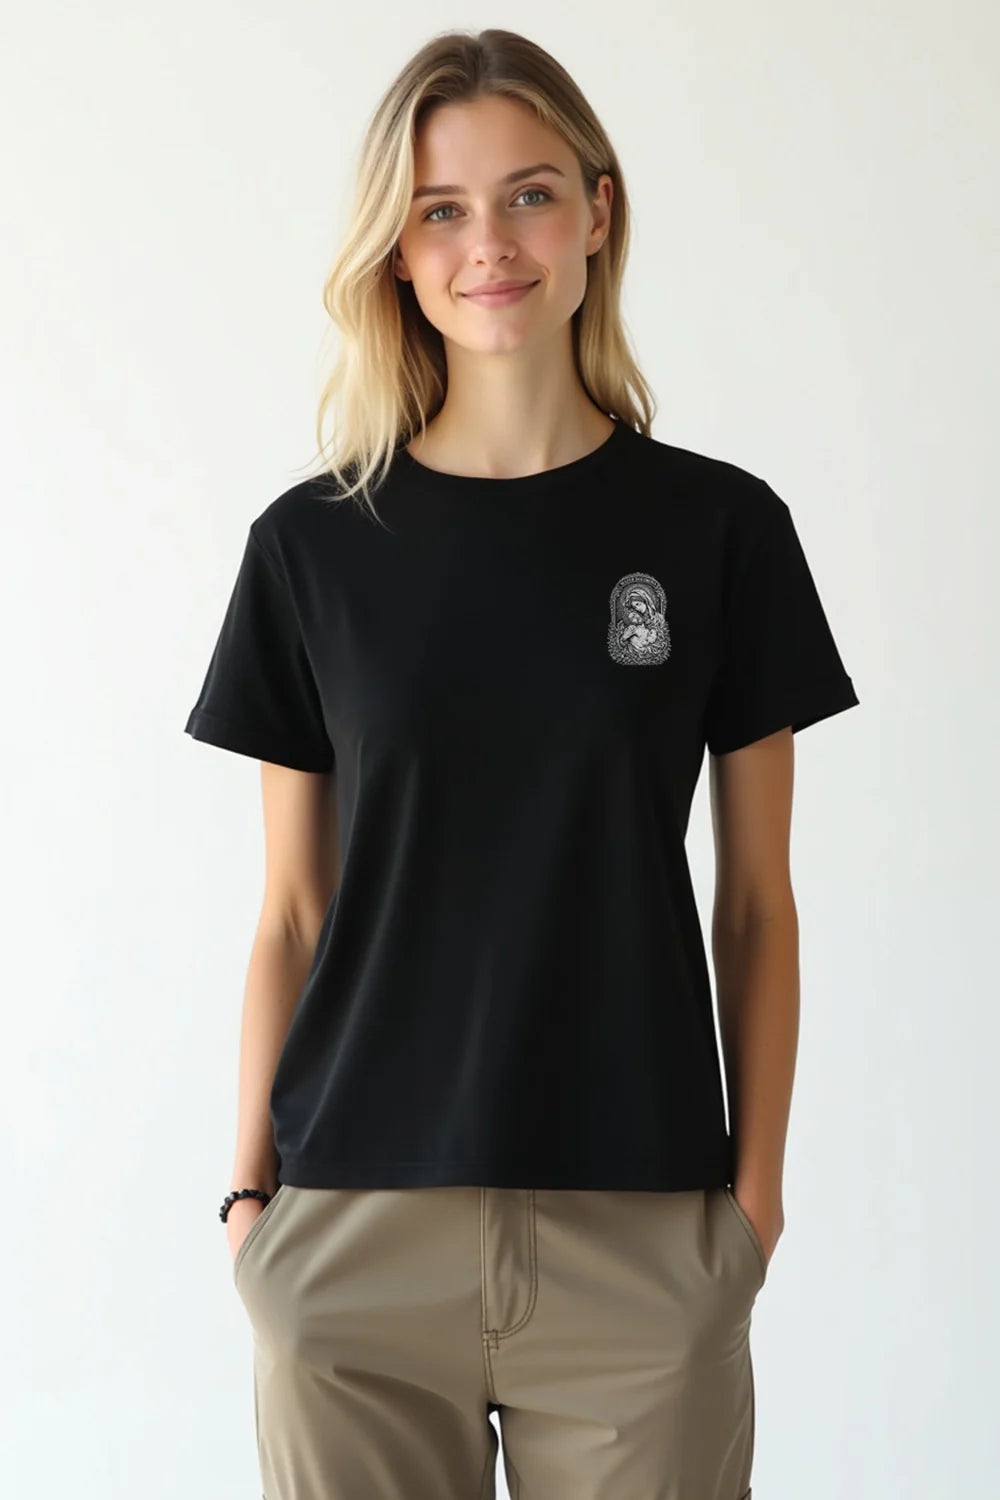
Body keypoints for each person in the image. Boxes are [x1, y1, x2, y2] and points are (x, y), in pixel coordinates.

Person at [184, 27, 859, 1500]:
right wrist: (250, 1206)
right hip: (352, 1233)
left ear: (598, 212)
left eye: (530, 195)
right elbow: (291, 910)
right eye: (441, 208)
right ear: (397, 249)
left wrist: (751, 1208)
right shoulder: (310, 550)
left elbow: (757, 901)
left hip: (644, 1234)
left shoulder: (721, 532)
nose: (488, 243)